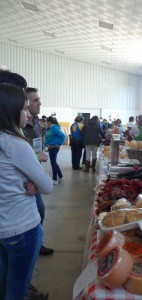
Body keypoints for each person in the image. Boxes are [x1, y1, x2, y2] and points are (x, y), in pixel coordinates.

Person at [0, 71, 51, 299]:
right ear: (12, 110)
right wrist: (34, 180)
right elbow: (47, 186)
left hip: (3, 227)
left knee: (4, 280)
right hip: (22, 227)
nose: (27, 114)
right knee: (17, 286)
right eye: (23, 108)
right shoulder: (16, 144)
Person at [24, 87, 55, 257]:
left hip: (33, 171)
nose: (39, 103)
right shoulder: (18, 126)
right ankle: (33, 244)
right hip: (24, 177)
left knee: (39, 212)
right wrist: (36, 155)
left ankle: (37, 242)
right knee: (37, 211)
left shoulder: (35, 121)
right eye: (35, 100)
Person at [45, 116, 66, 184]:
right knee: (54, 162)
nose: (45, 123)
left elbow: (63, 136)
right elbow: (47, 138)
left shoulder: (55, 129)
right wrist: (46, 144)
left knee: (53, 163)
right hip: (50, 147)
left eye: (46, 121)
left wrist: (59, 144)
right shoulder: (49, 129)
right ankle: (60, 176)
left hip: (54, 148)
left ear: (50, 122)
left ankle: (55, 179)